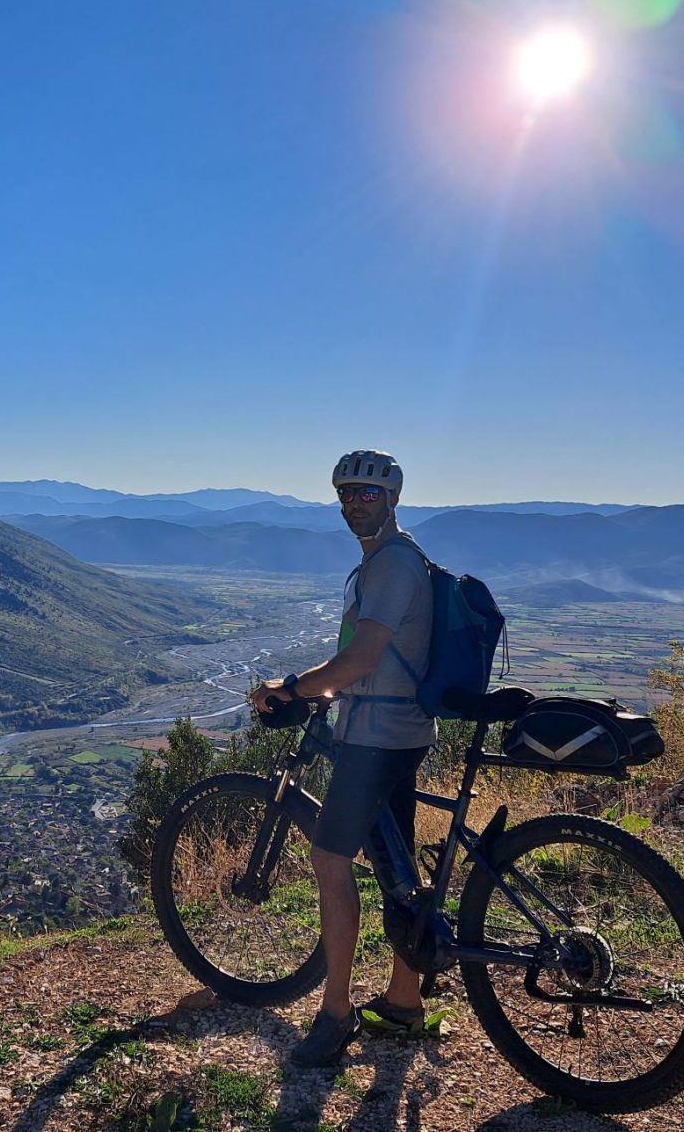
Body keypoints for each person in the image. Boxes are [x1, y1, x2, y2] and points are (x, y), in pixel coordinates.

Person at [249, 449, 435, 1067]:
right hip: (399, 731)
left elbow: (360, 661)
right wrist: (320, 690)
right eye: (349, 493)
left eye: (369, 494)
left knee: (330, 860)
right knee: (397, 872)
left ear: (393, 499)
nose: (357, 502)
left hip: (375, 737)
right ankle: (404, 1003)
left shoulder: (390, 567)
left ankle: (335, 1013)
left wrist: (293, 688)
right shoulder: (394, 559)